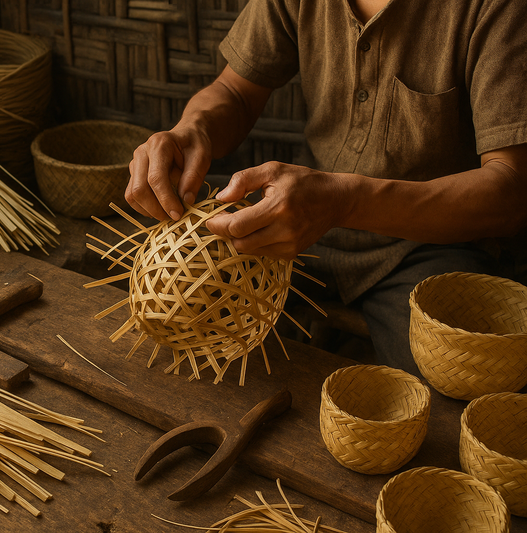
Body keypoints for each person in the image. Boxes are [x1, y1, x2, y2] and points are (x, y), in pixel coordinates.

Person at [124, 0, 527, 376]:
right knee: (188, 340)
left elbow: (509, 190)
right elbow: (235, 92)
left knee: (448, 407)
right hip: (297, 228)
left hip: (428, 246)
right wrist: (194, 129)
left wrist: (343, 201)